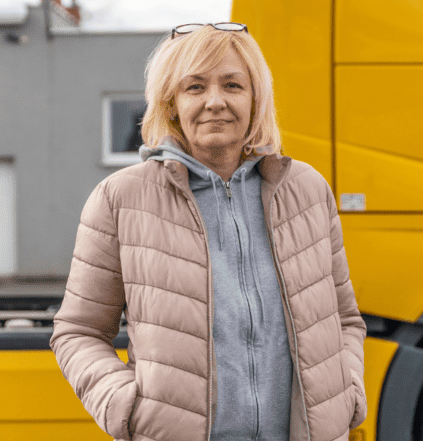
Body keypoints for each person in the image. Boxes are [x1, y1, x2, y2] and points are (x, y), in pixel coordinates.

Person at [51, 22, 366, 441]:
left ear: (256, 100)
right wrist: (125, 406)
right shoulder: (121, 198)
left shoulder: (307, 191)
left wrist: (348, 394)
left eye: (233, 85)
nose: (215, 102)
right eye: (195, 87)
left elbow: (345, 319)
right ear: (171, 103)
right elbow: (79, 331)